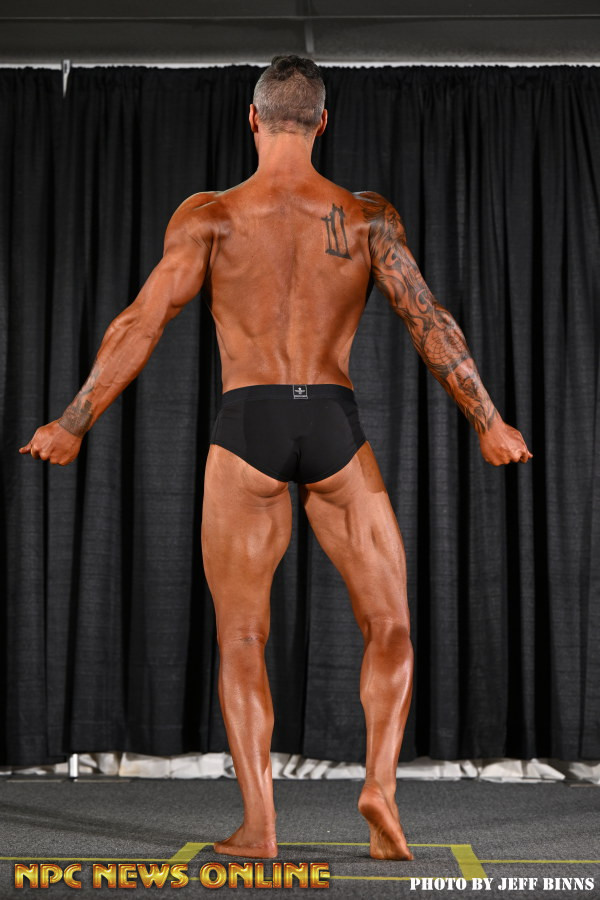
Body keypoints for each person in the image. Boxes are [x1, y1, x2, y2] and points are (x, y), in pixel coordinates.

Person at [19, 55, 532, 862]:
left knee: (241, 638)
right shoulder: (365, 217)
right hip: (331, 421)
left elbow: (142, 321)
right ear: (323, 122)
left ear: (253, 118)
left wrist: (72, 421)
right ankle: (380, 787)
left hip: (247, 425)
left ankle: (260, 826)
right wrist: (490, 421)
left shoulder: (211, 216)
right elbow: (429, 320)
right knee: (390, 624)